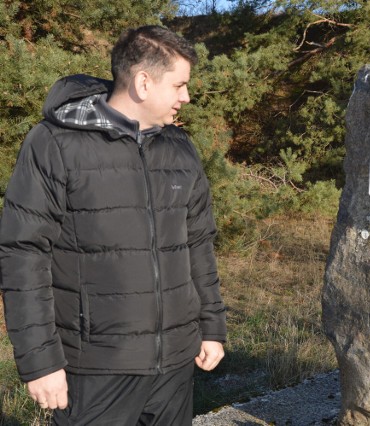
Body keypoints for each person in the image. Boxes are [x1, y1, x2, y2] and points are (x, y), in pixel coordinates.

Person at [0, 25, 226, 425]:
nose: (186, 97)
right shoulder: (54, 144)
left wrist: (211, 327)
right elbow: (24, 254)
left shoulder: (180, 148)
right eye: (179, 85)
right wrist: (40, 362)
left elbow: (198, 244)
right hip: (96, 367)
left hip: (175, 365)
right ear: (143, 82)